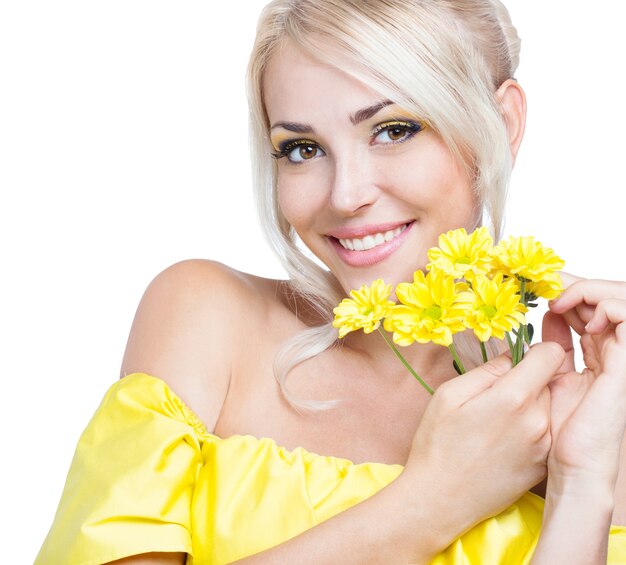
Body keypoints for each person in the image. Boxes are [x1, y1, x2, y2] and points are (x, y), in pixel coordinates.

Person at [35, 0, 626, 563]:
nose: (345, 195)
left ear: (503, 122)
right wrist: (431, 502)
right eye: (302, 148)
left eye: (394, 130)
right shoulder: (208, 320)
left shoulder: (592, 401)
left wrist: (579, 486)